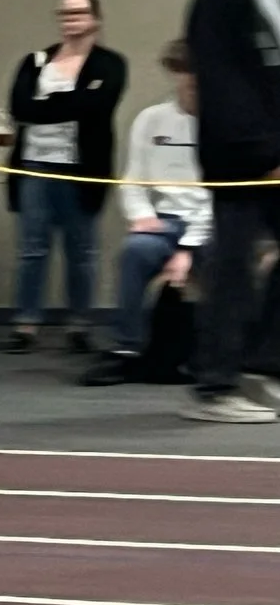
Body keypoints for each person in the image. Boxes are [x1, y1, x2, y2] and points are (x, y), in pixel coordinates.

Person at [181, 0, 280, 422]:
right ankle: (215, 387)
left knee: (244, 265)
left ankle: (265, 365)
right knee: (233, 268)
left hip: (272, 153)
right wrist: (266, 154)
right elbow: (223, 87)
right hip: (238, 158)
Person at [81, 39, 209, 387]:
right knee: (136, 251)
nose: (190, 83)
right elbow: (132, 179)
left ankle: (219, 354)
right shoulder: (152, 120)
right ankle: (128, 348)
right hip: (165, 221)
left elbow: (221, 197)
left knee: (221, 260)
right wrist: (140, 215)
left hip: (213, 226)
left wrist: (188, 249)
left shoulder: (225, 125)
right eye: (184, 75)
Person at [6, 0, 126, 354]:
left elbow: (97, 106)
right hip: (34, 166)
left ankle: (79, 323)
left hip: (81, 170)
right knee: (32, 248)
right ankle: (25, 323)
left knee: (82, 250)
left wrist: (48, 104)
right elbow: (19, 107)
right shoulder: (36, 61)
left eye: (78, 13)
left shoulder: (110, 64)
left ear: (95, 19)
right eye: (64, 13)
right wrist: (67, 103)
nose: (70, 20)